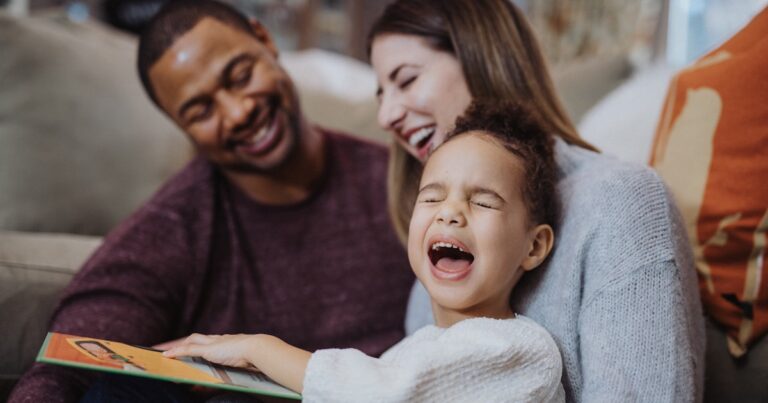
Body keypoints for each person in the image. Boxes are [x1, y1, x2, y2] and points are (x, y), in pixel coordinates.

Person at [9, 1, 413, 401]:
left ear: (264, 40)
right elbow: (63, 368)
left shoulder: (402, 179)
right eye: (201, 110)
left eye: (239, 76)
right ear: (178, 123)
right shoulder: (173, 227)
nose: (237, 113)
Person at [368, 0, 705, 402]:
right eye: (380, 94)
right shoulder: (440, 265)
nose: (385, 116)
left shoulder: (623, 202)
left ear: (482, 56)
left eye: (405, 80)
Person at [164, 101, 565, 402]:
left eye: (483, 201)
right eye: (432, 198)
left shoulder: (521, 350)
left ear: (534, 246)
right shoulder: (415, 349)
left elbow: (378, 395)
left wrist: (258, 349)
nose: (450, 214)